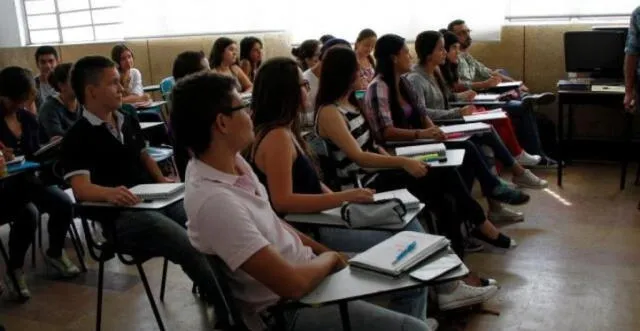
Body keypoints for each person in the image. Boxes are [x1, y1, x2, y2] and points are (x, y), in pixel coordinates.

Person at [171, 71, 439, 331]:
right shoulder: (216, 202)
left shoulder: (232, 162)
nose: (249, 113)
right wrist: (331, 257)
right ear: (222, 123)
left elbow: (274, 222)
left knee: (410, 268)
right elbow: (292, 285)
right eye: (242, 106)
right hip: (290, 310)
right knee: (415, 327)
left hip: (309, 273)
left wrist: (323, 252)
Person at [248, 56, 498, 312]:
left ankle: (442, 292)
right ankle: (432, 300)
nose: (306, 89)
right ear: (286, 91)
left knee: (411, 219)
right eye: (302, 85)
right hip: (315, 227)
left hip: (327, 214)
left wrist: (343, 200)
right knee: (410, 239)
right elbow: (283, 201)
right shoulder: (277, 137)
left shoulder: (285, 131)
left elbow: (312, 185)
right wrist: (345, 198)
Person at [318, 46, 517, 253]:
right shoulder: (330, 112)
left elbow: (373, 144)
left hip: (378, 172)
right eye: (357, 70)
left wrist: (401, 161)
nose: (363, 73)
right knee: (444, 178)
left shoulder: (352, 104)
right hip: (362, 184)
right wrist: (403, 162)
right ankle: (480, 228)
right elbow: (359, 157)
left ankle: (460, 256)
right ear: (344, 74)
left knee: (445, 192)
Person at [61, 55, 221, 303]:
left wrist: (161, 180)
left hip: (154, 199)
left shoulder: (126, 116)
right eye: (114, 83)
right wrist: (109, 193)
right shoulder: (77, 136)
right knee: (189, 245)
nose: (122, 88)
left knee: (209, 227)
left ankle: (230, 295)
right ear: (92, 91)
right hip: (122, 215)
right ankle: (229, 311)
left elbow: (142, 153)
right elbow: (81, 189)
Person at [364, 34, 544, 210]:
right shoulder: (380, 87)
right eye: (406, 52)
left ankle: (490, 196)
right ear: (394, 58)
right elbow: (385, 132)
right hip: (401, 148)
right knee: (468, 148)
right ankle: (492, 191)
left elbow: (421, 113)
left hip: (420, 139)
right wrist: (425, 133)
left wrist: (434, 131)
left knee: (477, 140)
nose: (410, 56)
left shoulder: (404, 82)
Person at [0, 66, 81, 298]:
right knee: (28, 214)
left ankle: (54, 253)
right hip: (5, 189)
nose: (23, 105)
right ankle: (14, 269)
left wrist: (50, 147)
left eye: (26, 99)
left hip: (27, 181)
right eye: (18, 100)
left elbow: (35, 152)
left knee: (64, 203)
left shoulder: (26, 118)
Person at [448, 19, 558, 166]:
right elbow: (456, 86)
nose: (467, 35)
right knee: (523, 106)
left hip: (479, 96)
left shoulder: (467, 57)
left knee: (502, 75)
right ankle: (537, 154)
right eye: (461, 33)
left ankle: (524, 96)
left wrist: (516, 83)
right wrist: (484, 84)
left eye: (468, 31)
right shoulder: (452, 60)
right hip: (471, 103)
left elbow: (488, 72)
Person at [171, 51, 211, 180]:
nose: (211, 75)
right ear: (191, 77)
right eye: (206, 72)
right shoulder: (187, 112)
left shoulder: (204, 104)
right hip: (202, 180)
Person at [301, 38, 351, 126]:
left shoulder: (338, 78)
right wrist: (327, 115)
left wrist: (361, 92)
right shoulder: (304, 81)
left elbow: (352, 98)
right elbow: (296, 117)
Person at [38, 63, 82, 140]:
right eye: (74, 80)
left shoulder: (83, 103)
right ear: (61, 85)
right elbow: (58, 140)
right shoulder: (49, 109)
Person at [34, 46, 59, 110]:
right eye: (43, 62)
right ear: (37, 64)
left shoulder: (65, 83)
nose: (47, 66)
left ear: (57, 62)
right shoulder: (32, 85)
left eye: (51, 61)